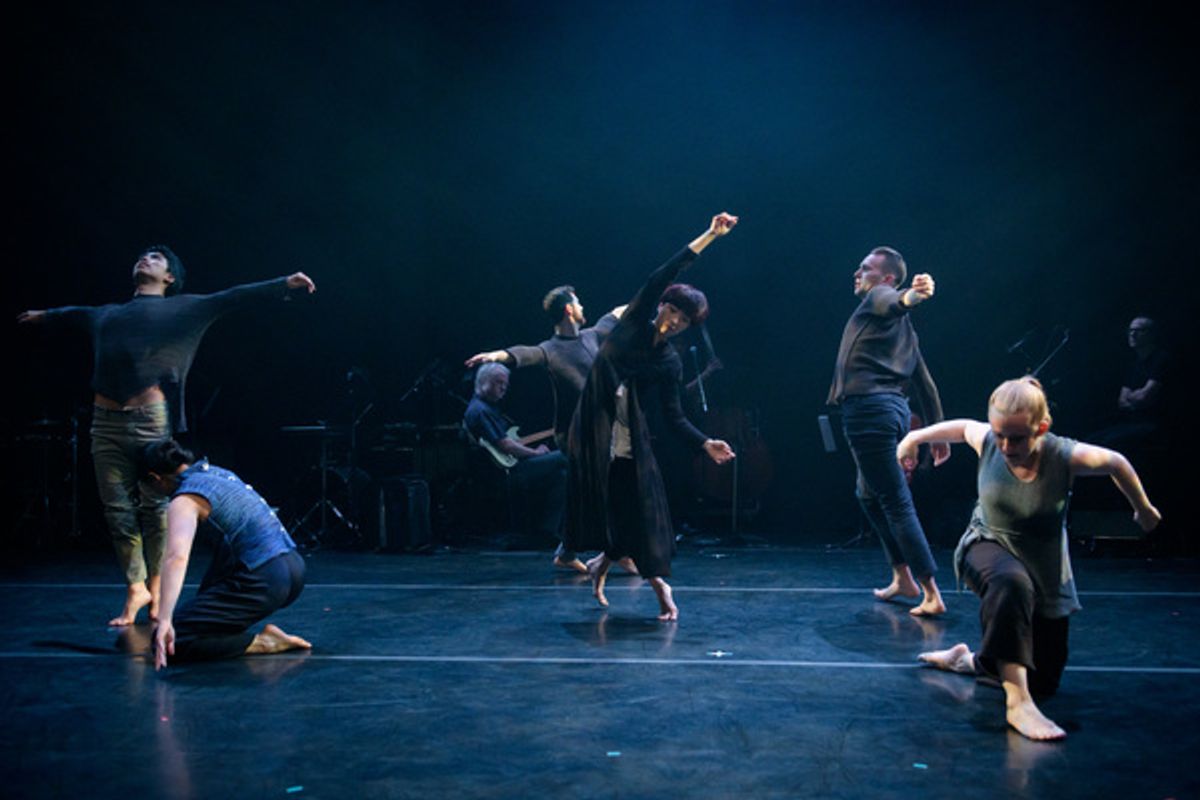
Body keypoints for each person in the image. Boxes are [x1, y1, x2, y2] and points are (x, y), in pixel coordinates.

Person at [17, 246, 316, 626]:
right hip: (104, 422)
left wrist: (283, 284)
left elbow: (233, 296)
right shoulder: (108, 314)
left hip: (150, 419)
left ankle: (157, 590)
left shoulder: (185, 308)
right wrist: (44, 316)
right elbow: (73, 314)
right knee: (116, 509)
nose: (145, 259)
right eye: (143, 256)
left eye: (156, 259)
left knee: (154, 506)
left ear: (170, 277)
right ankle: (135, 588)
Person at [900, 377, 1160, 740]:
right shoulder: (988, 440)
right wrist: (913, 438)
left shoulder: (1064, 456)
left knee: (1044, 680)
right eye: (1000, 435)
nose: (1006, 446)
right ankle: (1018, 703)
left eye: (1018, 438)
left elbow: (1117, 463)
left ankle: (969, 660)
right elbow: (961, 427)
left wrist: (1143, 508)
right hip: (986, 543)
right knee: (1010, 583)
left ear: (1041, 428)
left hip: (1042, 565)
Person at [568, 212, 738, 621]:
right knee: (609, 509)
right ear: (661, 305)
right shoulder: (632, 325)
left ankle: (633, 574)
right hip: (594, 432)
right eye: (673, 311)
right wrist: (710, 236)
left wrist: (704, 442)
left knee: (644, 511)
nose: (676, 322)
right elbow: (662, 274)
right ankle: (615, 565)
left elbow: (674, 416)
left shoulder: (669, 362)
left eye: (685, 321)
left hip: (630, 440)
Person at [464, 287, 624, 572]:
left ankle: (568, 551)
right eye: (578, 303)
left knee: (588, 492)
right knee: (607, 487)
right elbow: (524, 353)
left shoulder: (592, 336)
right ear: (568, 310)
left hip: (599, 427)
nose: (583, 306)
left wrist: (656, 298)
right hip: (574, 435)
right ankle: (617, 549)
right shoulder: (550, 349)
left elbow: (615, 314)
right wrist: (497, 355)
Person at [827, 247, 948, 616]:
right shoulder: (903, 332)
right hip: (891, 410)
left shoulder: (879, 298)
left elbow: (895, 300)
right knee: (867, 494)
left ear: (887, 278)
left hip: (870, 411)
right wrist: (938, 432)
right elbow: (926, 384)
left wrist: (913, 296)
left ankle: (931, 593)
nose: (857, 273)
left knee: (895, 500)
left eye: (865, 269)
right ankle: (903, 577)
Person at [143, 438, 311, 670]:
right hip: (293, 568)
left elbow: (176, 558)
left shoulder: (184, 499)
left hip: (265, 580)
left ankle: (263, 642)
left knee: (171, 641)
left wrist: (164, 619)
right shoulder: (216, 472)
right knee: (222, 561)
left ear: (155, 478)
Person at [463, 363, 572, 562]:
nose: (503, 388)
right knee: (566, 455)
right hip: (508, 473)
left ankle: (547, 532)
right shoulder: (480, 410)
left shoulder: (485, 408)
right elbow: (506, 445)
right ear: (483, 382)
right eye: (499, 383)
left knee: (562, 476)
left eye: (505, 384)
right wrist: (535, 453)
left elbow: (506, 442)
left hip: (510, 467)